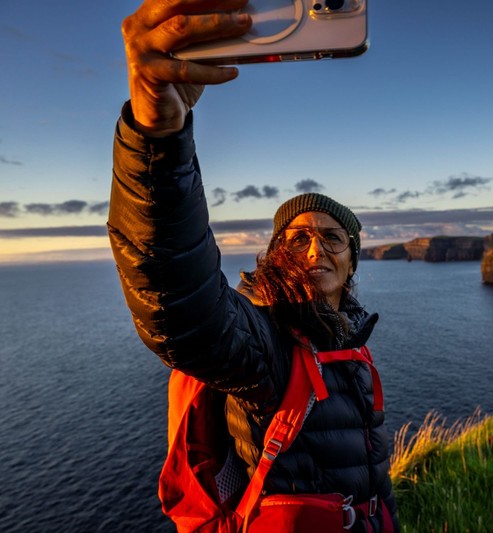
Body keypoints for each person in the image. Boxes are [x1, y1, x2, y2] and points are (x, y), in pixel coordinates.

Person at [107, 0, 398, 530]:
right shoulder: (265, 341)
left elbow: (375, 477)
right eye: (298, 238)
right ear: (276, 254)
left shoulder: (352, 339)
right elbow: (182, 306)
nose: (316, 251)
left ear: (352, 260)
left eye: (333, 238)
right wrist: (157, 140)